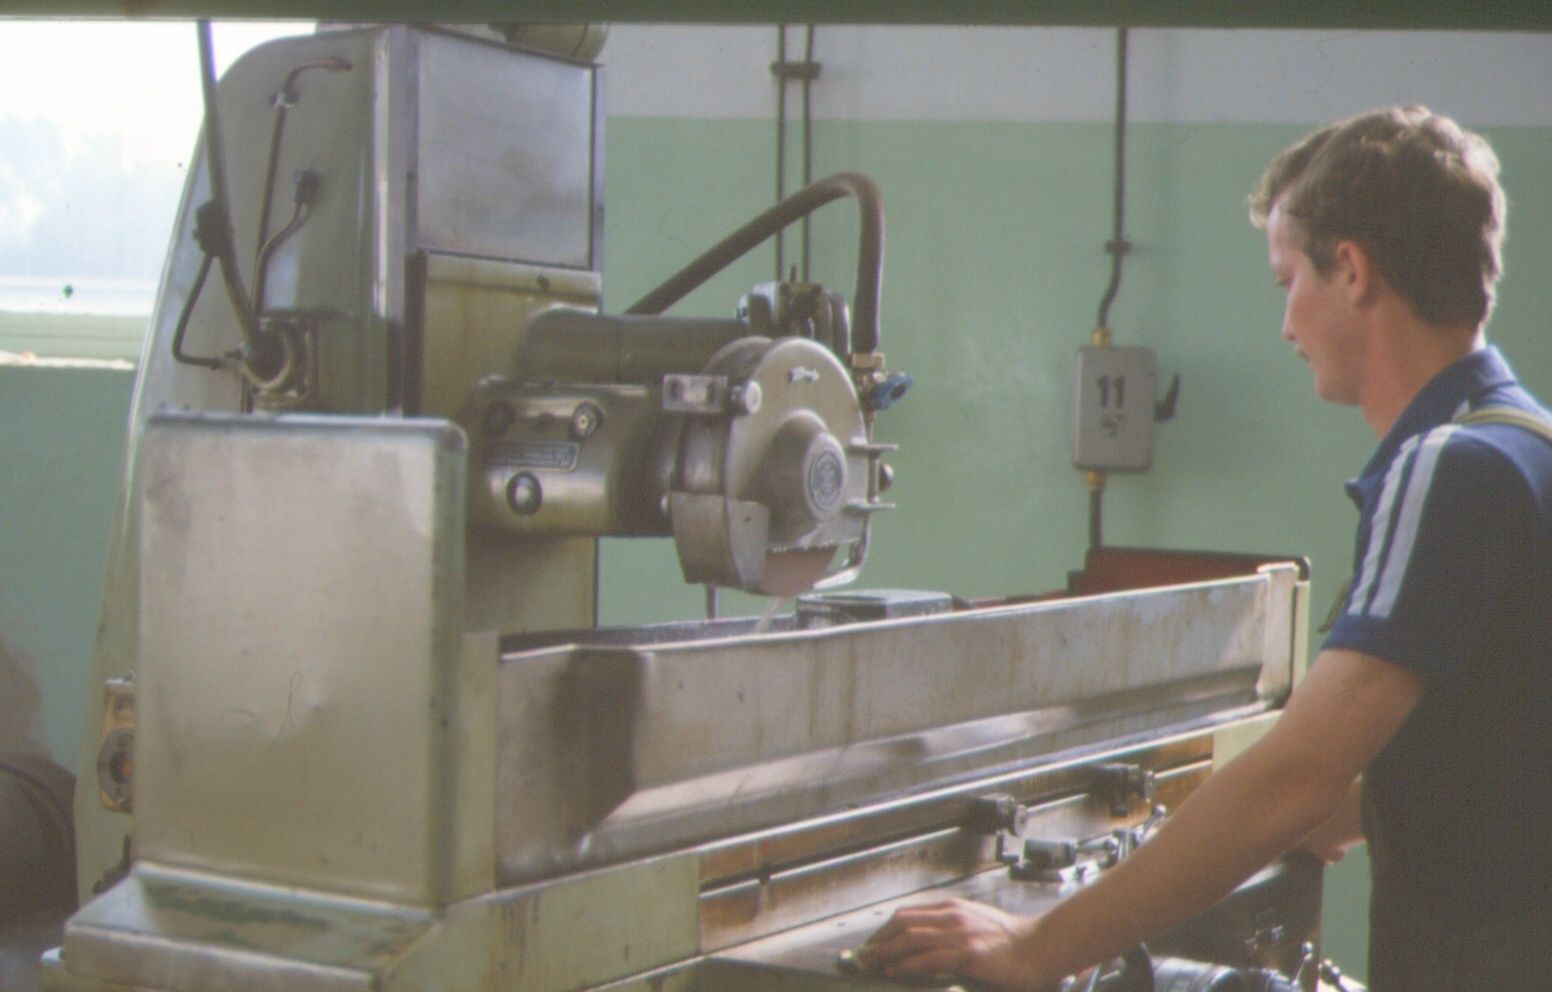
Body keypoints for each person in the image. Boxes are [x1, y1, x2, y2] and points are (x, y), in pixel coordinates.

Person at [860, 106, 1552, 992]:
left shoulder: (1449, 467)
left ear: (1351, 270)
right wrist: (1346, 812)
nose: (1286, 325)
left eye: (1287, 280)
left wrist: (1032, 948)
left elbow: (1296, 776)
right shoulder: (1524, 444)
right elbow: (1492, 760)